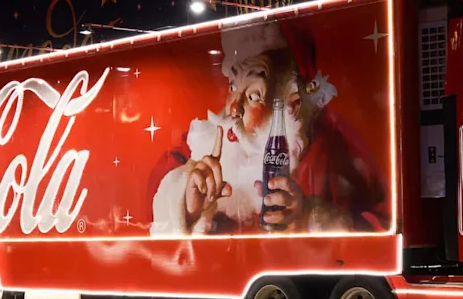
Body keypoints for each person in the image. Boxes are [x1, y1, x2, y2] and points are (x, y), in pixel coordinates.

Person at [149, 19, 388, 235]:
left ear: (290, 104)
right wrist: (188, 207)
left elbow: (385, 225)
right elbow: (151, 205)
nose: (233, 109)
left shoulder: (331, 147)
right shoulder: (204, 141)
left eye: (254, 96)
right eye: (233, 85)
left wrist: (309, 219)